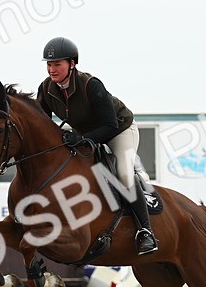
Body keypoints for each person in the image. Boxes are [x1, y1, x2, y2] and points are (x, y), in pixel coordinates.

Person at [37, 36, 158, 255]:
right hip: (87, 135)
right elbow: (42, 124)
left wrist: (82, 138)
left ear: (72, 64)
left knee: (124, 174)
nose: (52, 70)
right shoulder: (46, 89)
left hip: (119, 130)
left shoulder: (91, 85)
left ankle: (146, 232)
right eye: (49, 64)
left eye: (57, 64)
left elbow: (110, 125)